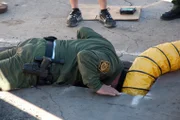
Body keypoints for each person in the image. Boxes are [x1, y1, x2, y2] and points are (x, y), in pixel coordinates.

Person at [0, 27, 131, 96]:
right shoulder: (111, 67)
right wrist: (98, 86)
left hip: (36, 44)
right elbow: (85, 56)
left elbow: (83, 30)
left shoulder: (107, 46)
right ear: (115, 82)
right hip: (35, 61)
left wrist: (72, 49)